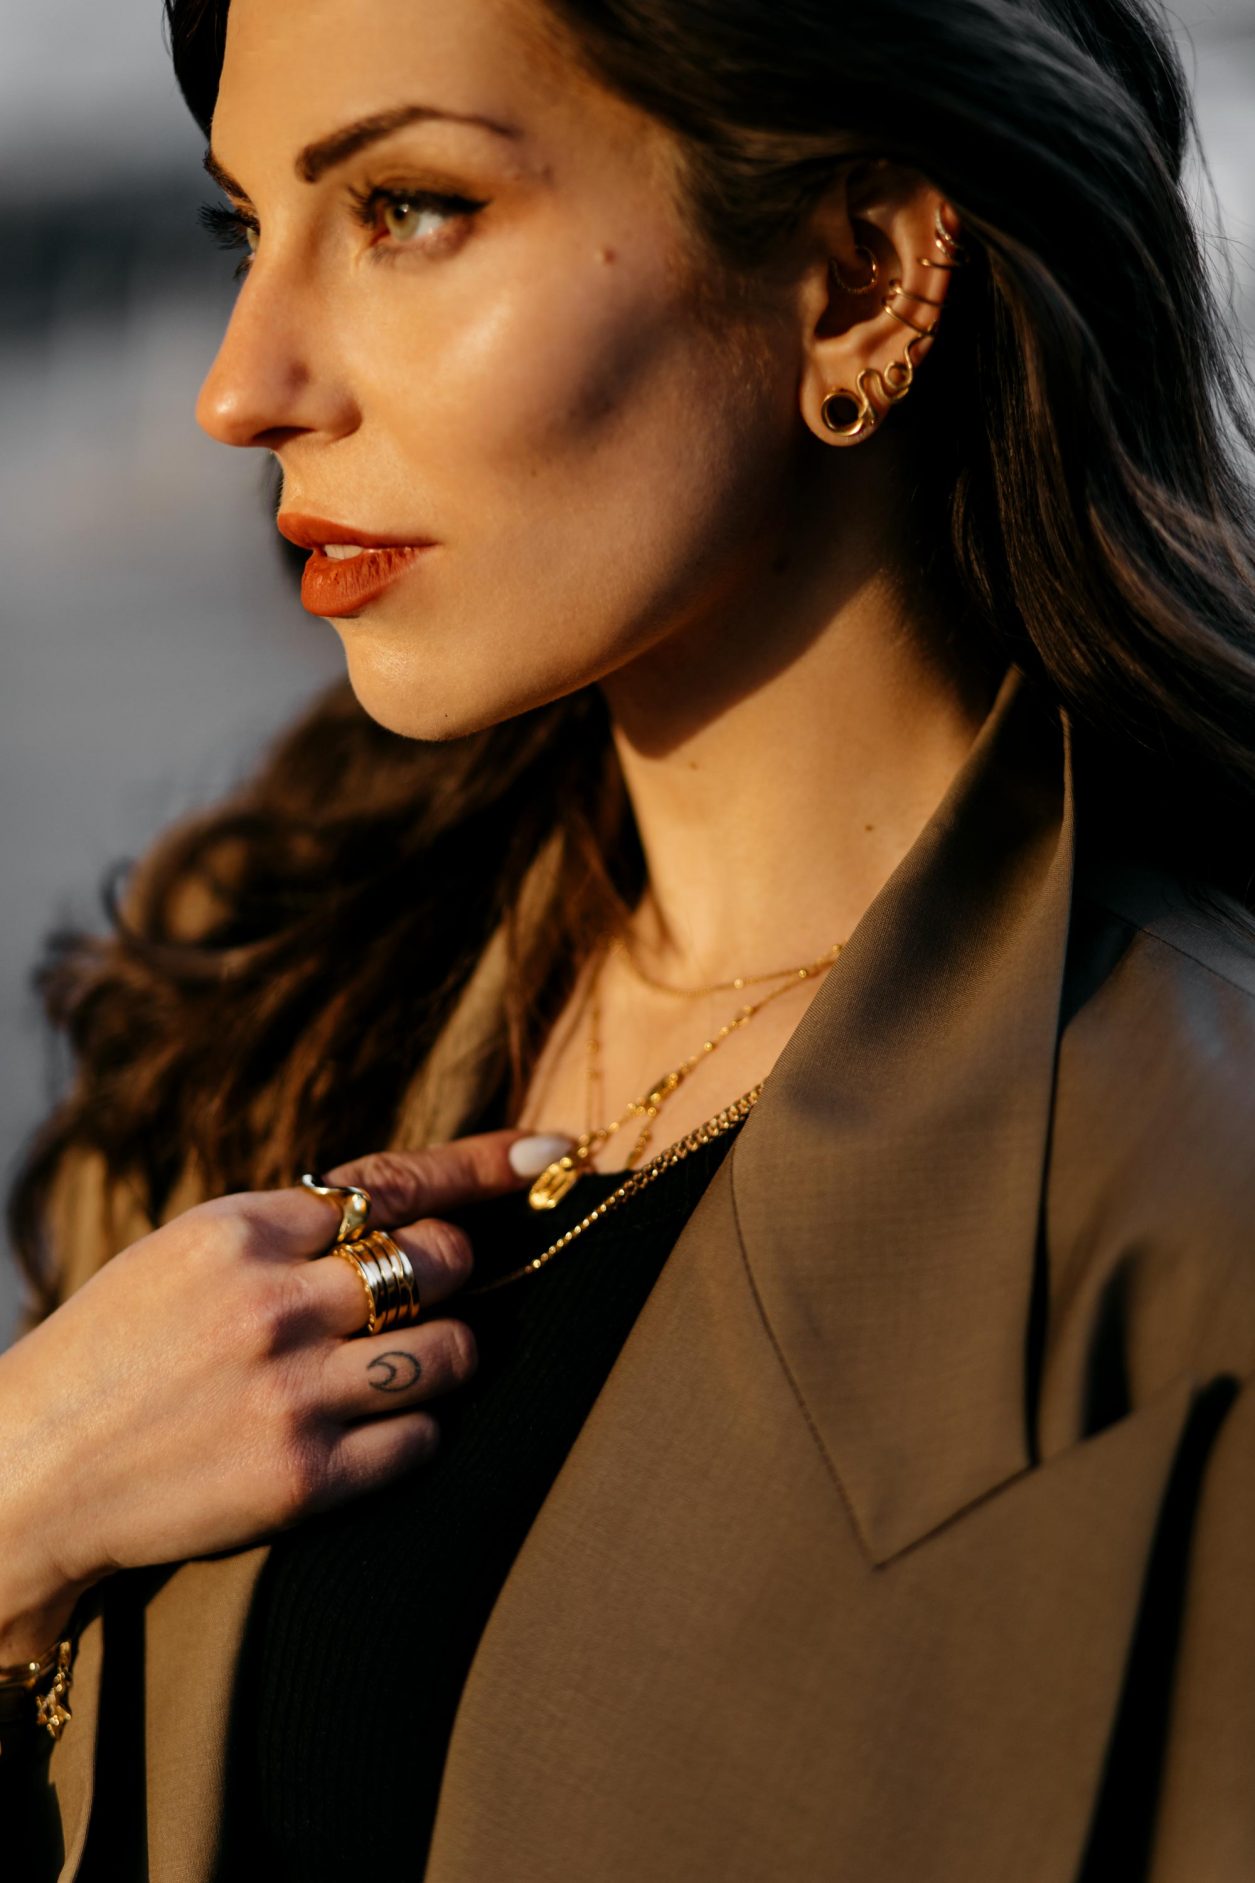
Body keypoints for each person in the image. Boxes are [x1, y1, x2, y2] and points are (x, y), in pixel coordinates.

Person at [4, 0, 1255, 1875]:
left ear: (853, 279)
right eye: (242, 227)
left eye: (411, 208)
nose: (242, 385)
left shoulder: (1180, 1257)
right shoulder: (266, 978)